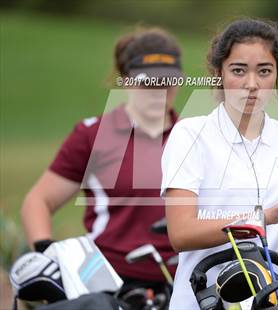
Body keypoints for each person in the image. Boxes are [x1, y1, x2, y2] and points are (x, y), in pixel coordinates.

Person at [161, 18, 278, 309]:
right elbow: (181, 233)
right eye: (239, 70)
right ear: (218, 74)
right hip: (200, 301)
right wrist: (265, 216)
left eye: (264, 71)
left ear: (276, 75)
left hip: (274, 301)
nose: (252, 84)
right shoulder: (189, 134)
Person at [21, 27, 183, 300]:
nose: (158, 90)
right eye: (148, 82)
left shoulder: (196, 135)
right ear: (126, 80)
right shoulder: (92, 135)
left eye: (166, 81)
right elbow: (38, 201)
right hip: (107, 285)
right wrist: (47, 254)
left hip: (183, 282)